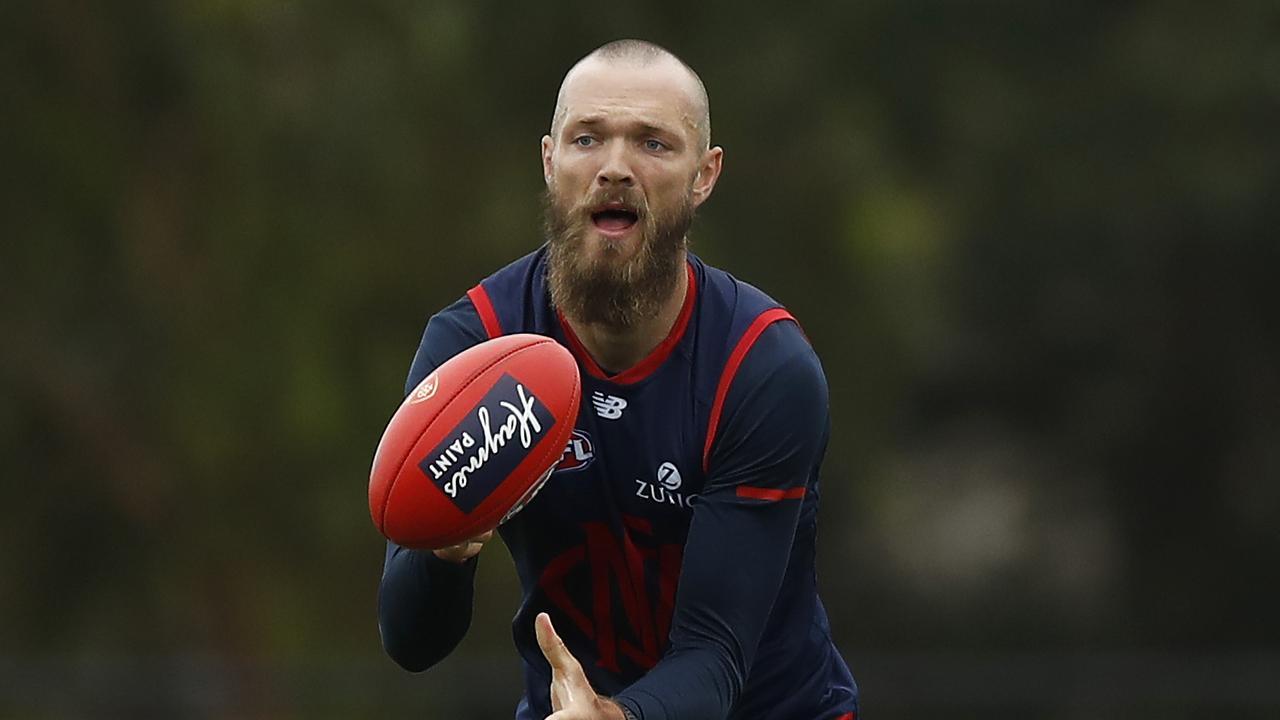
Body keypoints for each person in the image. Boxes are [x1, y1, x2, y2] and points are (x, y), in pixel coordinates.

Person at [377, 39, 859, 720]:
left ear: (705, 174)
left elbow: (716, 653)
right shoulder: (475, 349)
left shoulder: (760, 367)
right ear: (549, 161)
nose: (614, 168)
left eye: (654, 144)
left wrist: (617, 717)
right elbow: (410, 642)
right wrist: (440, 555)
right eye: (586, 139)